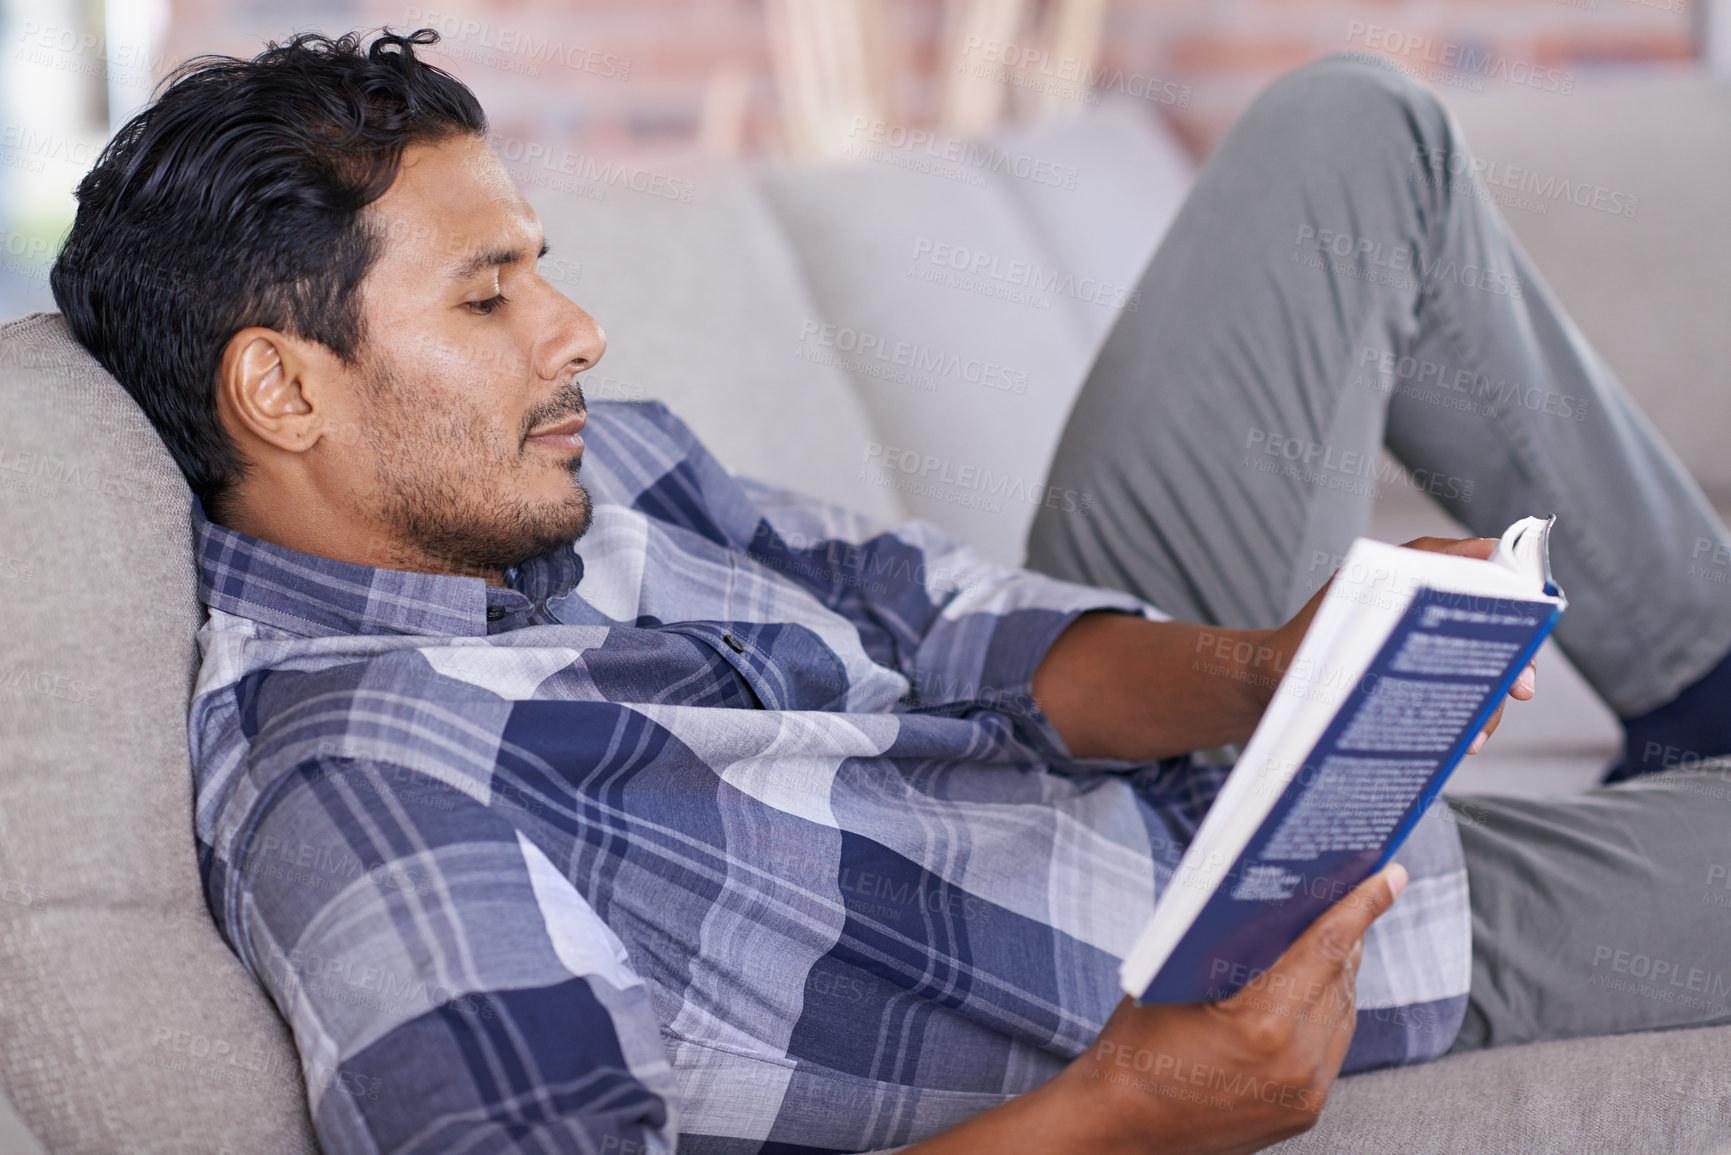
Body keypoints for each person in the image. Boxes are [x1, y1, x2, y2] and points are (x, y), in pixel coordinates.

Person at [48, 27, 1731, 1155]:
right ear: (282, 393)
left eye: (541, 266)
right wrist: (1121, 1111)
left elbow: (943, 624)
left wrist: (1275, 670)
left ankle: (1698, 669)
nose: (576, 331)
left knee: (1350, 136)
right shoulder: (371, 795)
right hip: (1205, 933)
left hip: (1139, 745)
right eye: (490, 299)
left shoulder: (575, 471)